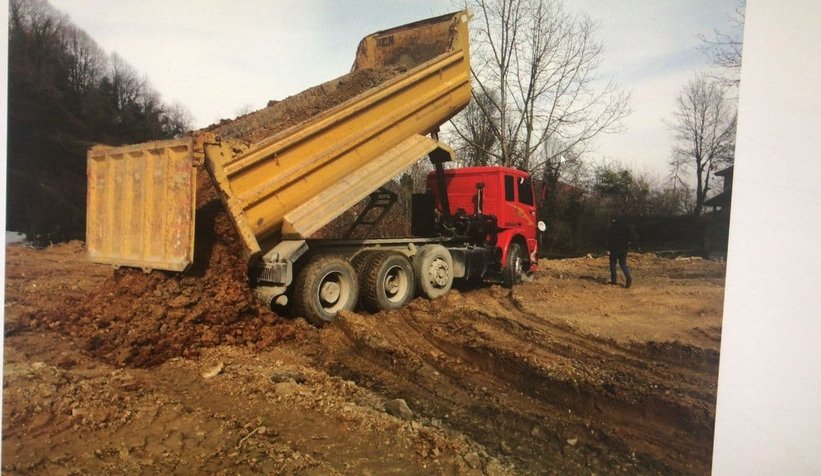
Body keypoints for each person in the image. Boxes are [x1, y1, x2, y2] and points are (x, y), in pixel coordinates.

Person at [607, 218, 634, 288]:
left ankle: (614, 280)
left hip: (615, 249)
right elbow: (630, 238)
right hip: (624, 248)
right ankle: (628, 277)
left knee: (612, 263)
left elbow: (610, 239)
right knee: (623, 264)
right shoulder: (626, 227)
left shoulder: (612, 229)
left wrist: (608, 249)